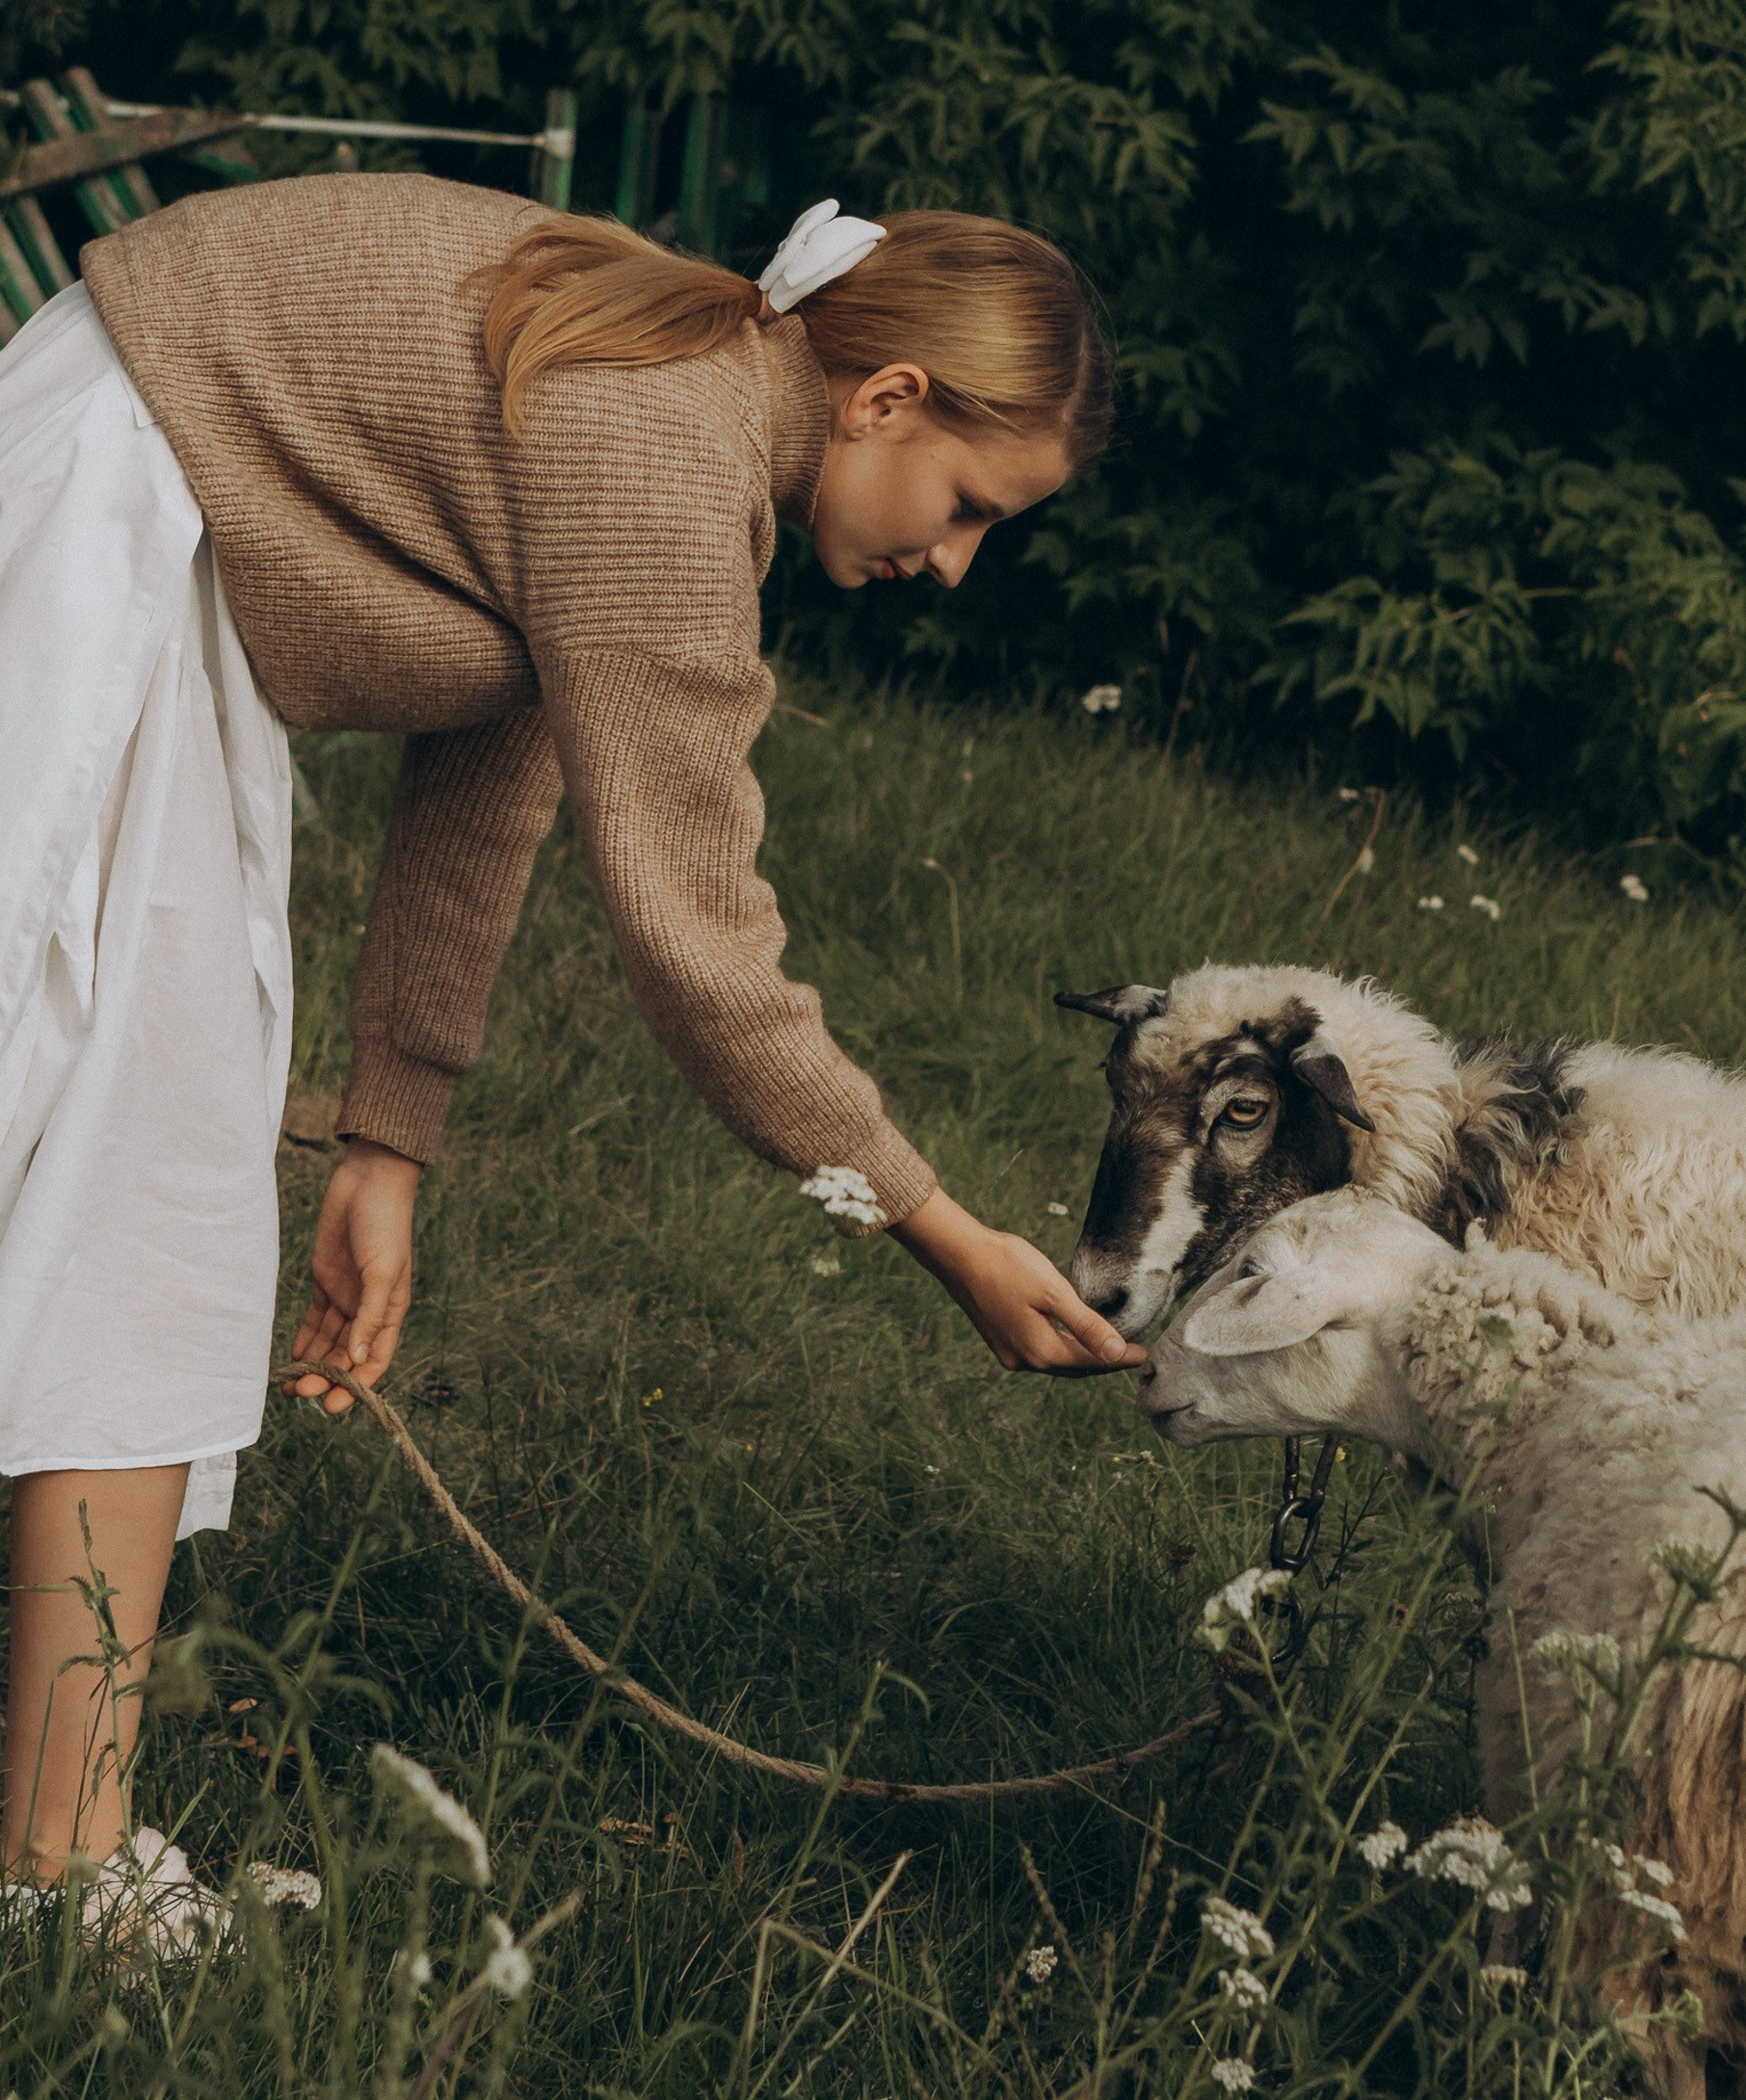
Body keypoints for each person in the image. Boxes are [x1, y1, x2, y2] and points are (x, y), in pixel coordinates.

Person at [0, 171, 1140, 1923]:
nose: (954, 562)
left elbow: (495, 767)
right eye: (973, 506)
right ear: (888, 397)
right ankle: (57, 1856)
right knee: (91, 1134)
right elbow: (701, 948)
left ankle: (57, 1851)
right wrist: (944, 1232)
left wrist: (390, 1133)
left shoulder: (681, 406)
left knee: (147, 1179)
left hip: (158, 549)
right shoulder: (665, 454)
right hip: (102, 536)